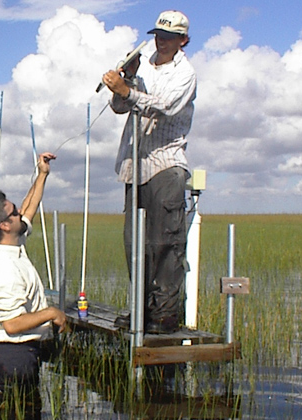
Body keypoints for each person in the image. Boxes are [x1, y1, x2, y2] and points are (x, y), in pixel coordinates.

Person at [102, 10, 196, 334]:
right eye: (158, 33)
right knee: (136, 243)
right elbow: (119, 107)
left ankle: (165, 314)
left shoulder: (185, 73)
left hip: (167, 163)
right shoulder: (143, 66)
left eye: (169, 36)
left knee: (165, 243)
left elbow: (164, 106)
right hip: (135, 165)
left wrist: (127, 90)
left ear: (183, 40)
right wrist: (125, 80)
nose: (162, 40)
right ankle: (140, 310)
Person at [0, 152, 67, 420]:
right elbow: (12, 324)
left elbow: (29, 206)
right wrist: (52, 313)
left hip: (11, 358)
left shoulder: (8, 244)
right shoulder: (5, 269)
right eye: (13, 213)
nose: (20, 214)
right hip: (15, 359)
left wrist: (42, 173)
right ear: (4, 225)